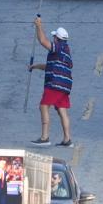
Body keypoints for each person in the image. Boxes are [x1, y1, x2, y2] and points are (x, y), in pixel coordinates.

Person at [29, 18, 73, 147]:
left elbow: (43, 41)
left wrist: (38, 26)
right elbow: (50, 66)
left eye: (54, 37)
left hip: (55, 84)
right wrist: (35, 66)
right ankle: (67, 139)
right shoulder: (66, 50)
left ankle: (45, 137)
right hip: (65, 86)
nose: (52, 39)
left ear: (57, 38)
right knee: (62, 110)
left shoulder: (58, 47)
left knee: (44, 106)